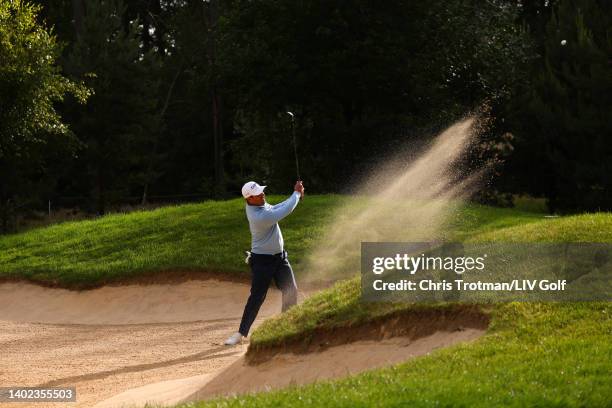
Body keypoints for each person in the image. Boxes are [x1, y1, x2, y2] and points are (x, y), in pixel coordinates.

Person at [224, 180, 305, 345]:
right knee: (257, 297)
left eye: (261, 192)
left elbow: (276, 207)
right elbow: (283, 211)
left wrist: (295, 196)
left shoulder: (261, 205)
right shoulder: (257, 216)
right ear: (249, 199)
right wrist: (296, 194)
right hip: (262, 261)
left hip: (280, 259)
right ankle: (240, 334)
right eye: (257, 194)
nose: (262, 194)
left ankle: (286, 327)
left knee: (291, 291)